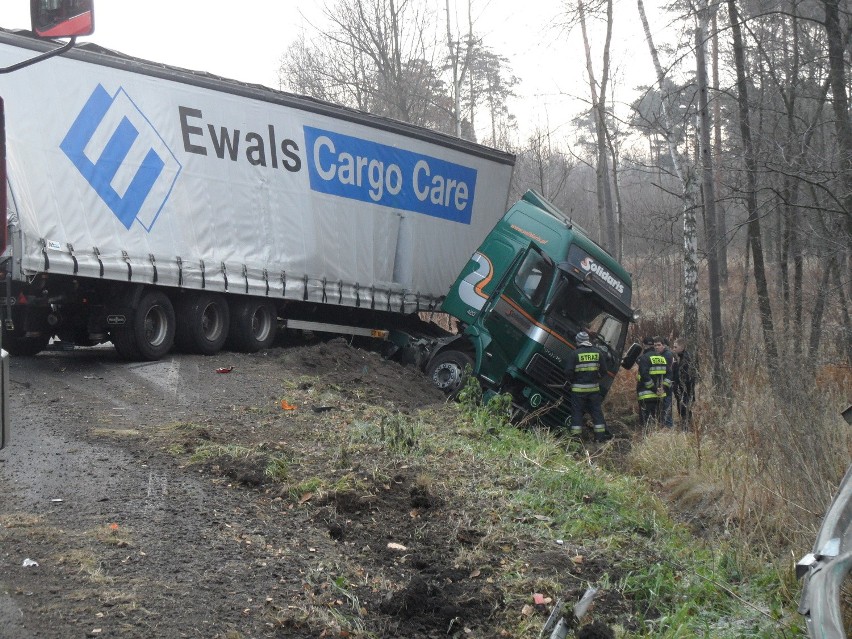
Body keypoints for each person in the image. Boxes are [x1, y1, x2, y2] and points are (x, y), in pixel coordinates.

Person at [564, 331, 613, 442]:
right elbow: (604, 371)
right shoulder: (598, 353)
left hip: (578, 390)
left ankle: (576, 439)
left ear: (579, 342)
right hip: (593, 390)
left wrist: (573, 381)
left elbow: (568, 372)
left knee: (577, 413)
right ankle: (600, 438)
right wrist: (596, 378)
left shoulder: (575, 354)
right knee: (597, 413)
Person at [636, 336, 667, 428]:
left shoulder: (644, 358)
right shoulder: (661, 358)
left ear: (644, 345)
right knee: (657, 419)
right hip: (659, 395)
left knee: (645, 422)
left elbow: (645, 376)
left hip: (646, 394)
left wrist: (654, 389)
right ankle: (657, 438)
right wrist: (662, 388)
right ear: (653, 346)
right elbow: (668, 374)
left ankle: (646, 439)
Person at [672, 337, 696, 428]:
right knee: (683, 412)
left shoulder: (685, 360)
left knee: (684, 413)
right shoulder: (681, 358)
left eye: (675, 347)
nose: (673, 349)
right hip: (683, 393)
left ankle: (686, 430)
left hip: (685, 393)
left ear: (682, 347)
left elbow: (686, 378)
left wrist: (678, 387)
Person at [654, 337, 675, 427]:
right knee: (662, 408)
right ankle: (663, 426)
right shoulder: (659, 355)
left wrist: (664, 387)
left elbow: (668, 372)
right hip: (661, 385)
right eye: (655, 345)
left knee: (667, 407)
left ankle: (669, 427)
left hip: (667, 385)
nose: (657, 347)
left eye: (659, 345)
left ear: (663, 345)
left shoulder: (667, 355)